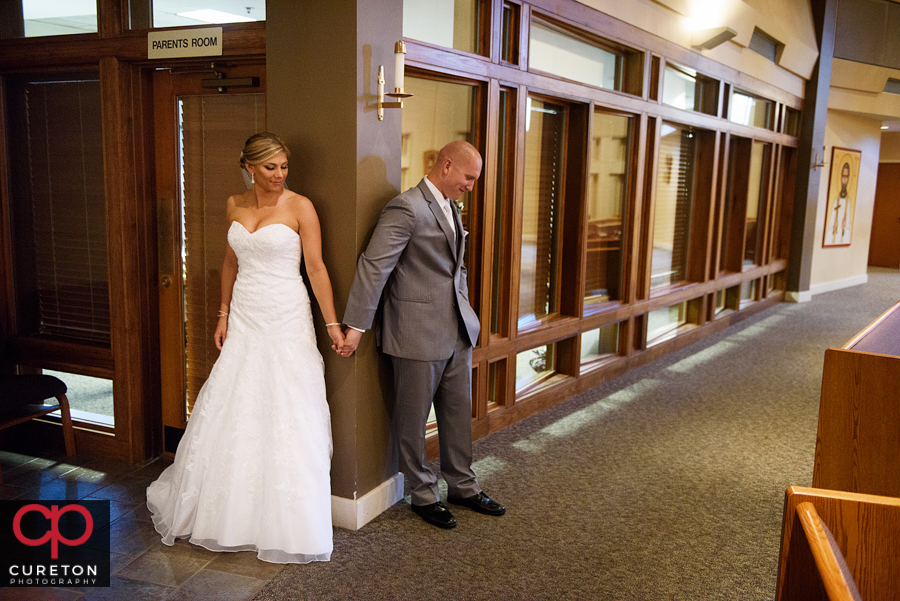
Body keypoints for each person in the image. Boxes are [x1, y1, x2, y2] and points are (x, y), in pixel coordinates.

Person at [147, 132, 343, 563]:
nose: (279, 175)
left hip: (286, 314)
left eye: (284, 167)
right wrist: (222, 312)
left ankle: (285, 518)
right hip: (245, 314)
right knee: (233, 400)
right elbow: (231, 261)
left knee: (287, 404)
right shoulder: (234, 204)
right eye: (271, 167)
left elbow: (315, 267)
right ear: (249, 167)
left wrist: (331, 323)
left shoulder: (300, 207)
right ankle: (228, 510)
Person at [340, 140, 505, 529]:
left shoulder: (451, 207)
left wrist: (467, 310)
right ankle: (423, 493)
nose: (471, 185)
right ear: (447, 166)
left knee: (456, 414)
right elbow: (374, 267)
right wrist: (355, 326)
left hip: (457, 330)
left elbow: (454, 269)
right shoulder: (406, 207)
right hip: (414, 333)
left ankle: (462, 485)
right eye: (469, 177)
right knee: (413, 420)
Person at [825, 162, 852, 246]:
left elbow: (848, 228)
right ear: (840, 177)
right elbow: (829, 225)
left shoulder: (849, 202)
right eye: (843, 176)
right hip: (834, 235)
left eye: (846, 177)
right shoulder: (835, 200)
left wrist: (844, 229)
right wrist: (834, 227)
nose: (844, 180)